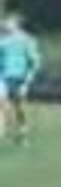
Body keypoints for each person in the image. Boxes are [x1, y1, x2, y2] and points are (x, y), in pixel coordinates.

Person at [0, 12, 41, 145]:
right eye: (5, 22)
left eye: (8, 22)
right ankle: (1, 131)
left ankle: (23, 133)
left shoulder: (27, 40)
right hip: (3, 77)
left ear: (17, 25)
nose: (5, 24)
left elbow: (35, 63)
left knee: (20, 108)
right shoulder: (2, 40)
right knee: (1, 103)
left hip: (20, 78)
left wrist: (27, 81)